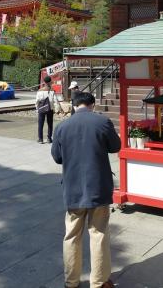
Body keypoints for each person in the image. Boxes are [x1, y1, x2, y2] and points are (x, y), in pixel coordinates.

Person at [51, 92, 121, 288]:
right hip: (98, 187)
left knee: (71, 235)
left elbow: (57, 157)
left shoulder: (62, 126)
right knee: (98, 233)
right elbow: (115, 146)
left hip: (73, 188)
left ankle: (71, 282)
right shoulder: (102, 122)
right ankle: (98, 282)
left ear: (73, 106)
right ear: (92, 104)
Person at [36, 75, 61, 144]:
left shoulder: (40, 91)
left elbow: (37, 101)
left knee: (40, 124)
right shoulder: (52, 91)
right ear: (50, 82)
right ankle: (49, 138)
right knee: (50, 124)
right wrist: (57, 109)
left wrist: (37, 109)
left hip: (41, 109)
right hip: (50, 109)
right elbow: (55, 101)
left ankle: (40, 139)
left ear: (44, 82)